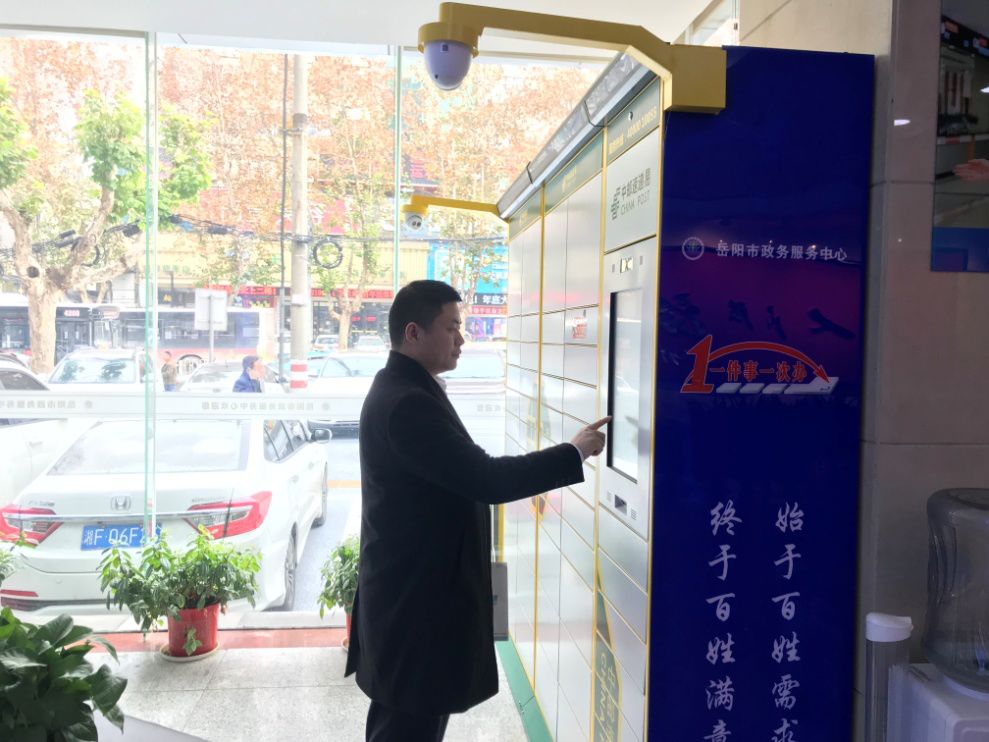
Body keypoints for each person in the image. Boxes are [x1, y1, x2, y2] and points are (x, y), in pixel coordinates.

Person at [345, 280, 608, 742]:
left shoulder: (407, 388)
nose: (462, 339)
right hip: (414, 607)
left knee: (403, 721)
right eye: (452, 328)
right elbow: (486, 478)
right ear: (413, 333)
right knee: (407, 726)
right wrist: (574, 452)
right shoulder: (407, 403)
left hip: (411, 599)